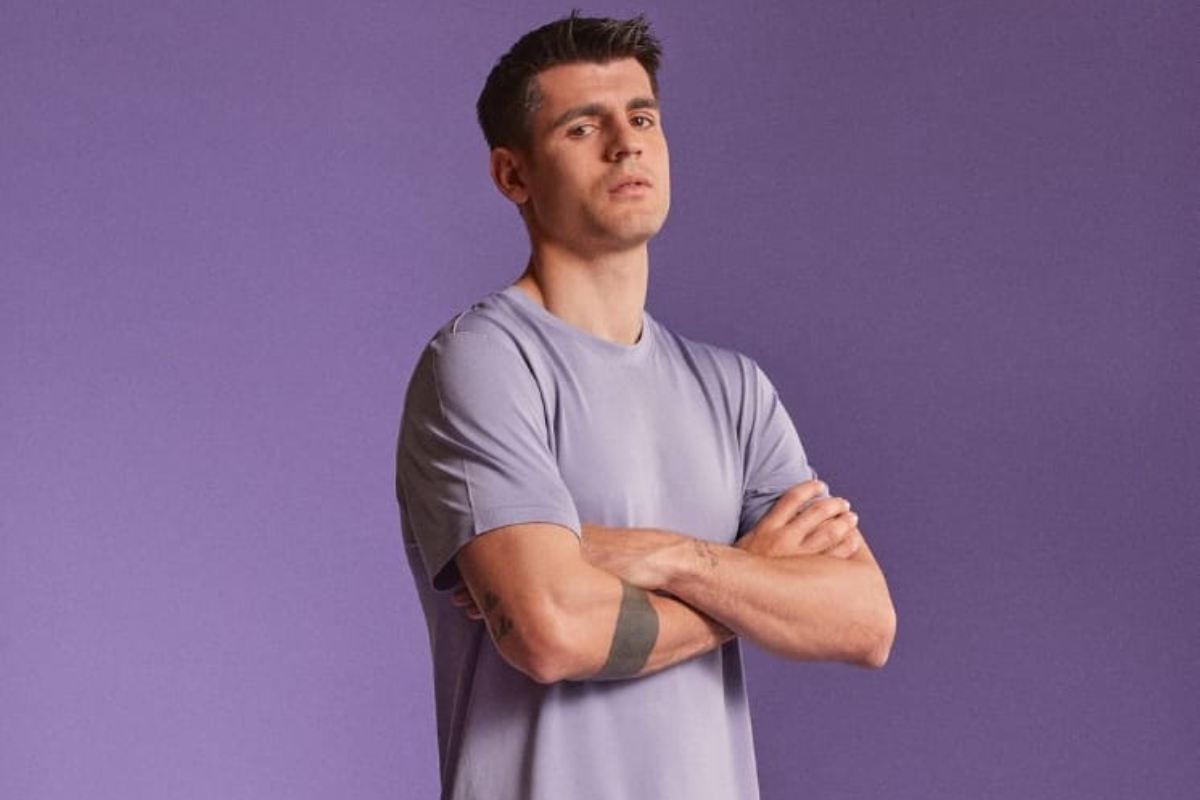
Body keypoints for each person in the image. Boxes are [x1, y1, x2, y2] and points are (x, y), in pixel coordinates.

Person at [394, 11, 896, 800]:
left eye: (642, 118)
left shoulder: (734, 389)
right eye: (582, 127)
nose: (625, 144)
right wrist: (751, 583)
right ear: (513, 175)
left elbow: (865, 621)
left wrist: (675, 559)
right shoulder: (484, 363)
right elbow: (553, 633)